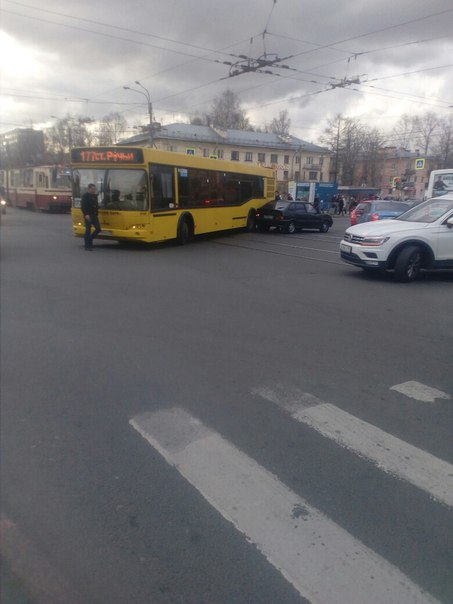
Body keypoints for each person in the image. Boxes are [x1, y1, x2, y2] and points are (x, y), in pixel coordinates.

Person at [81, 183, 100, 250]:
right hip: (88, 215)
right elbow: (83, 206)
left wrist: (97, 212)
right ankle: (87, 245)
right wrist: (86, 214)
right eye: (92, 189)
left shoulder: (95, 196)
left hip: (94, 215)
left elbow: (96, 205)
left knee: (98, 229)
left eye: (94, 189)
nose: (94, 190)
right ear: (89, 189)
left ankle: (90, 239)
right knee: (88, 230)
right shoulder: (85, 196)